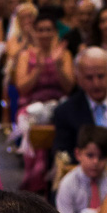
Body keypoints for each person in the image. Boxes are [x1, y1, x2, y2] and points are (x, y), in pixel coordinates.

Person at [15, 12, 74, 192]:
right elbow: (21, 88)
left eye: (48, 30)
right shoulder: (26, 55)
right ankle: (35, 182)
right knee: (35, 124)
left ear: (55, 32)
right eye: (40, 30)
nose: (45, 34)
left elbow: (69, 87)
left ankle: (57, 180)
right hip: (32, 106)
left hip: (59, 106)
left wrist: (57, 66)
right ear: (35, 32)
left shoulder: (63, 55)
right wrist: (38, 69)